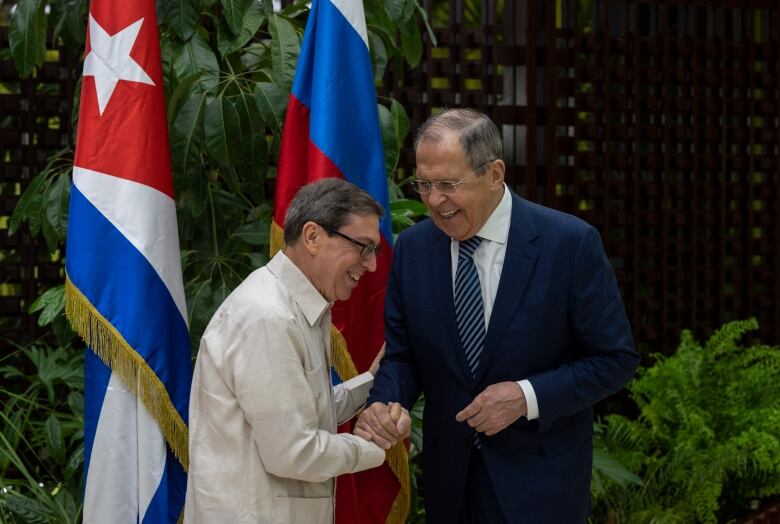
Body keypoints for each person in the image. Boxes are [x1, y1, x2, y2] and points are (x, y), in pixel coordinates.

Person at [355, 109, 640, 523]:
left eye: (449, 184)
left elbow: (615, 360)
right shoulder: (415, 249)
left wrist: (525, 397)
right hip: (450, 487)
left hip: (541, 489)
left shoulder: (568, 244)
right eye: (424, 184)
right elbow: (404, 356)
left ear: (494, 173)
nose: (434, 201)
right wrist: (385, 404)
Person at [184, 178, 392, 524]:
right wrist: (373, 447)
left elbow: (299, 409)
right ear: (312, 237)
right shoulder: (268, 317)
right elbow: (294, 451)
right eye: (363, 247)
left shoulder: (295, 306)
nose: (370, 265)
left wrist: (373, 383)